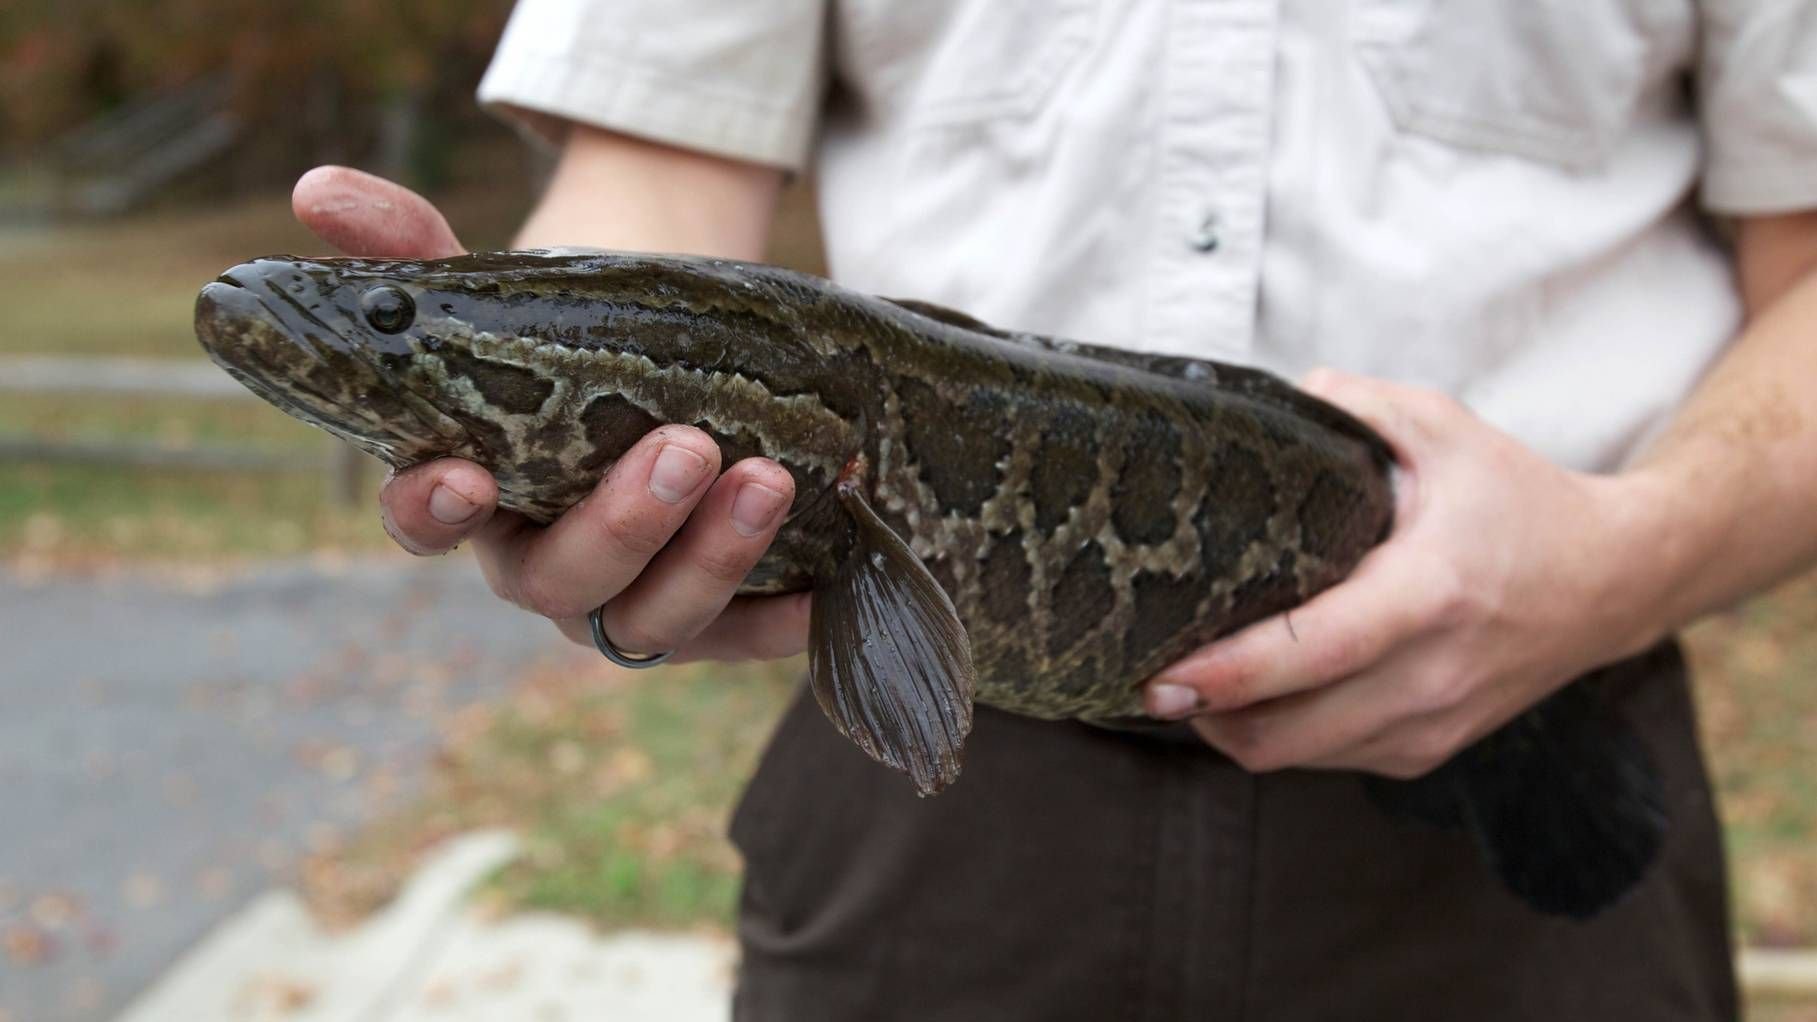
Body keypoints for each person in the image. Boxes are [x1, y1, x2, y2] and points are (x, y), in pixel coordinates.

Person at [293, 2, 1817, 1018]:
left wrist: (1631, 554)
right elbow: (659, 166)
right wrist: (549, 387)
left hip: (1534, 773)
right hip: (929, 790)